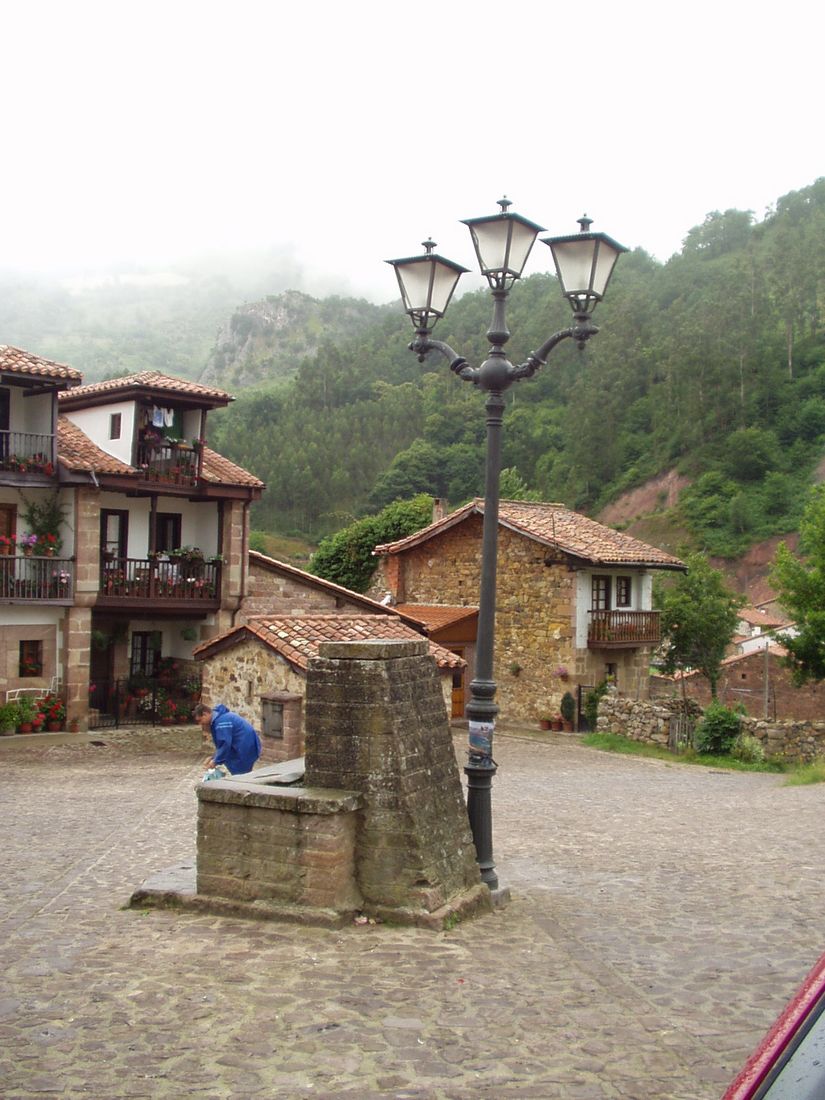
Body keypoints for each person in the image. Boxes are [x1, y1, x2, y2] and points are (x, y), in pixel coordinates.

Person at [194, 702, 261, 775]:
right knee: (240, 775)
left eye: (200, 720)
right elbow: (223, 744)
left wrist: (215, 761)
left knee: (241, 776)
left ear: (205, 714)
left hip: (244, 748)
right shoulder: (219, 719)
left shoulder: (221, 722)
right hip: (243, 746)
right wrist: (214, 757)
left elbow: (225, 744)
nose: (200, 724)